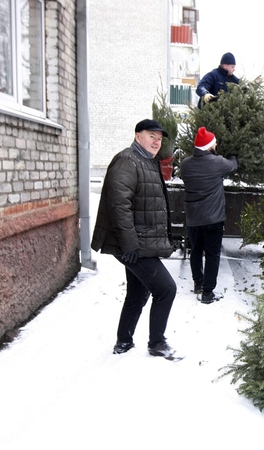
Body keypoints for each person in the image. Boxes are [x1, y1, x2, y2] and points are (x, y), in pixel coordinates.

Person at [91, 119, 179, 359]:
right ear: (137, 135)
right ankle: (157, 343)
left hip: (139, 241)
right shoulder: (127, 160)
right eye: (152, 136)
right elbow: (119, 205)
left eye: (159, 139)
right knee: (166, 289)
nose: (156, 142)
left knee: (138, 293)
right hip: (132, 244)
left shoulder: (147, 162)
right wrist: (129, 244)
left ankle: (124, 341)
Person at [180, 127, 238, 304]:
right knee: (212, 255)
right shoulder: (218, 162)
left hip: (193, 218)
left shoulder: (185, 164)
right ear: (209, 146)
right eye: (215, 143)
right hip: (213, 218)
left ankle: (198, 283)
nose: (217, 145)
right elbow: (233, 165)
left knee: (196, 250)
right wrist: (234, 154)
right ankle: (207, 293)